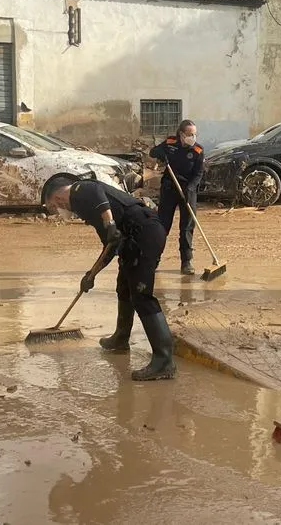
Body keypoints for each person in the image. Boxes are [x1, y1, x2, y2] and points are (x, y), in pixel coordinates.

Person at [44, 177, 175, 381]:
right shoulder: (89, 210)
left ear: (60, 195)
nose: (59, 207)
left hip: (145, 233)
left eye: (56, 203)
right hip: (132, 240)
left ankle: (164, 361)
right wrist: (91, 275)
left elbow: (96, 190)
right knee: (124, 287)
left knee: (141, 296)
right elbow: (110, 245)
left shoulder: (79, 190)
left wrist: (110, 221)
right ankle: (120, 339)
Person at [150, 120, 204, 275]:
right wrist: (161, 154)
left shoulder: (198, 150)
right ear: (181, 134)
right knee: (162, 226)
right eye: (189, 134)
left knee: (187, 227)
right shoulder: (170, 143)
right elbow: (153, 152)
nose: (192, 137)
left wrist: (191, 188)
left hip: (188, 190)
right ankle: (154, 259)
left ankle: (186, 261)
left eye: (194, 134)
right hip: (169, 189)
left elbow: (199, 173)